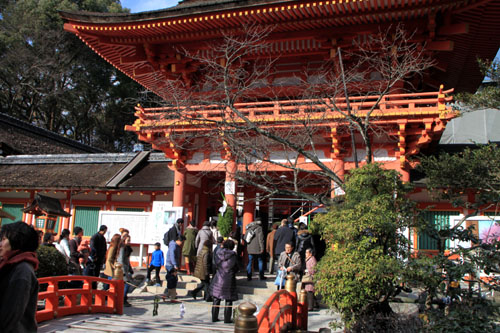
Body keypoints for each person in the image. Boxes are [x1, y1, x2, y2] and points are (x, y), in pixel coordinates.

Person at [0, 222, 39, 332]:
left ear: (16, 241)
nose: (0, 244)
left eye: (3, 239)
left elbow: (12, 312)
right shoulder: (9, 265)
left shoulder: (22, 270)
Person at [209, 239, 238, 323]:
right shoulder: (233, 255)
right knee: (228, 299)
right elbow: (236, 267)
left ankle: (214, 317)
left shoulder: (218, 253)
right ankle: (227, 319)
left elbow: (215, 264)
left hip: (219, 277)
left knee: (216, 298)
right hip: (229, 278)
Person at [117, 234, 133, 307]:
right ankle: (123, 299)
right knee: (126, 284)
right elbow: (120, 260)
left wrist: (130, 268)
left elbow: (127, 260)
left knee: (126, 284)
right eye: (128, 240)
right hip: (122, 269)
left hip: (126, 268)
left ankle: (123, 299)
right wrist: (123, 271)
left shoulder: (127, 248)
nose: (129, 242)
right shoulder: (122, 248)